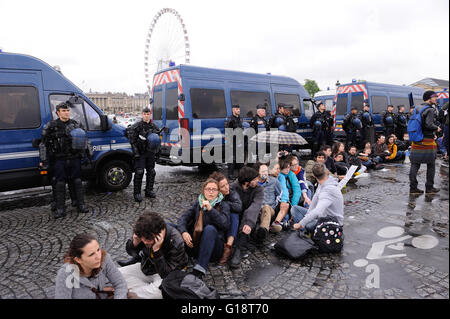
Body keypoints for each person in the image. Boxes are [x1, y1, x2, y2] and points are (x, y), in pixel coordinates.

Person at [39, 101, 92, 218]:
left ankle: (80, 204)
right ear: (58, 113)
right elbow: (43, 145)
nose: (66, 113)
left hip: (74, 158)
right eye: (63, 111)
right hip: (59, 160)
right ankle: (60, 209)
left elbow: (86, 141)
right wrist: (44, 160)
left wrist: (88, 156)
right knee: (60, 183)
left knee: (77, 181)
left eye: (68, 110)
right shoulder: (51, 126)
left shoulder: (76, 124)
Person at [119, 212, 188, 298]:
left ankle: (132, 292)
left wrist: (157, 251)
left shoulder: (176, 241)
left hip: (168, 275)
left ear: (159, 234)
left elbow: (166, 274)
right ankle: (139, 292)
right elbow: (131, 252)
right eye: (142, 238)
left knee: (159, 292)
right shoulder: (144, 232)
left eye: (148, 239)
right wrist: (135, 243)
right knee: (117, 274)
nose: (144, 242)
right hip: (147, 268)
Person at [178, 178, 230, 279]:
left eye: (214, 189)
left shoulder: (223, 205)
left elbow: (225, 224)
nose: (210, 192)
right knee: (169, 226)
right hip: (196, 244)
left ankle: (200, 269)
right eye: (208, 189)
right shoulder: (198, 203)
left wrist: (210, 209)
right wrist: (183, 232)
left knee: (209, 229)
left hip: (215, 248)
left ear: (218, 192)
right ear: (203, 191)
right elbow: (183, 218)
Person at [55, 234, 128, 299]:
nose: (98, 256)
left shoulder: (104, 259)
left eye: (98, 250)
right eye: (91, 254)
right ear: (78, 259)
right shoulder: (66, 273)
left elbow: (120, 284)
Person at [293, 163, 344, 234]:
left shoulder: (328, 189)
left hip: (331, 223)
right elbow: (313, 205)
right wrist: (308, 215)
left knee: (307, 224)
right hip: (321, 217)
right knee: (295, 209)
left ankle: (305, 234)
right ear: (326, 172)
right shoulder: (322, 184)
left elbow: (317, 211)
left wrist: (301, 224)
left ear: (313, 176)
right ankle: (305, 232)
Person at [229, 166, 264, 268]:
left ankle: (239, 250)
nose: (257, 180)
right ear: (246, 182)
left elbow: (255, 206)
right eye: (255, 179)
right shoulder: (233, 187)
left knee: (247, 221)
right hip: (235, 215)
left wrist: (248, 222)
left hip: (251, 217)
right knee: (234, 214)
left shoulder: (259, 190)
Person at [126, 107, 161, 202]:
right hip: (140, 153)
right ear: (142, 115)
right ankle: (137, 193)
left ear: (150, 114)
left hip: (150, 152)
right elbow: (132, 140)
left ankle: (149, 190)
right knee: (139, 172)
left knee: (151, 171)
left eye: (148, 114)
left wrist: (158, 153)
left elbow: (158, 140)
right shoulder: (137, 126)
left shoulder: (154, 126)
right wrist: (136, 153)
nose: (146, 115)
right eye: (145, 114)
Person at [409, 91, 441, 194]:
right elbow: (428, 124)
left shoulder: (417, 108)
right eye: (434, 97)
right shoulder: (430, 109)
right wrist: (437, 128)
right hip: (427, 141)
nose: (436, 98)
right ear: (428, 98)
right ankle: (429, 187)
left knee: (415, 164)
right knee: (431, 164)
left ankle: (413, 188)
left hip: (416, 139)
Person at [208, 172, 242, 265]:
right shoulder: (211, 195)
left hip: (231, 221)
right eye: (223, 186)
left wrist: (226, 204)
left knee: (234, 214)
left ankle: (228, 246)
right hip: (219, 221)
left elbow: (239, 206)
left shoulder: (231, 191)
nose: (226, 187)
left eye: (227, 184)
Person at [270, 157, 301, 232]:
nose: (287, 170)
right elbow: (283, 190)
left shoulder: (291, 175)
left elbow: (297, 190)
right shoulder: (280, 175)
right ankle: (276, 224)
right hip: (281, 200)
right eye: (285, 168)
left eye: (288, 168)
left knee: (287, 216)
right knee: (285, 215)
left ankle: (277, 224)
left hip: (289, 200)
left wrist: (293, 206)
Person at [225, 104, 243, 178]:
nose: (238, 110)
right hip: (232, 141)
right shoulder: (230, 119)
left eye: (239, 109)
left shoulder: (239, 118)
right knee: (232, 158)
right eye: (236, 109)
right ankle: (230, 174)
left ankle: (240, 174)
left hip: (239, 141)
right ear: (233, 110)